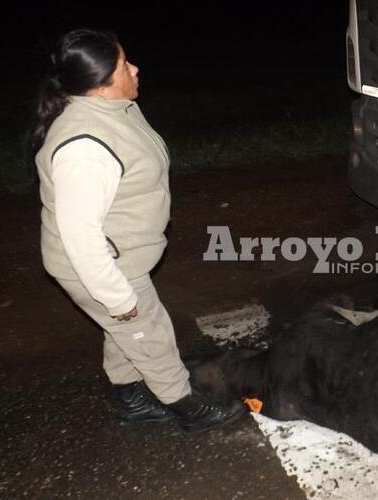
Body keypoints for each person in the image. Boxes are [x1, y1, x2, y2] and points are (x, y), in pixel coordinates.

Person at [30, 28, 246, 432]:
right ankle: (188, 408)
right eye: (123, 66)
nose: (134, 68)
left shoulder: (114, 110)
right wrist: (115, 295)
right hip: (99, 263)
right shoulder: (84, 147)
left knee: (126, 327)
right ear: (99, 87)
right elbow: (81, 237)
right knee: (149, 331)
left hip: (120, 253)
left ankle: (131, 398)